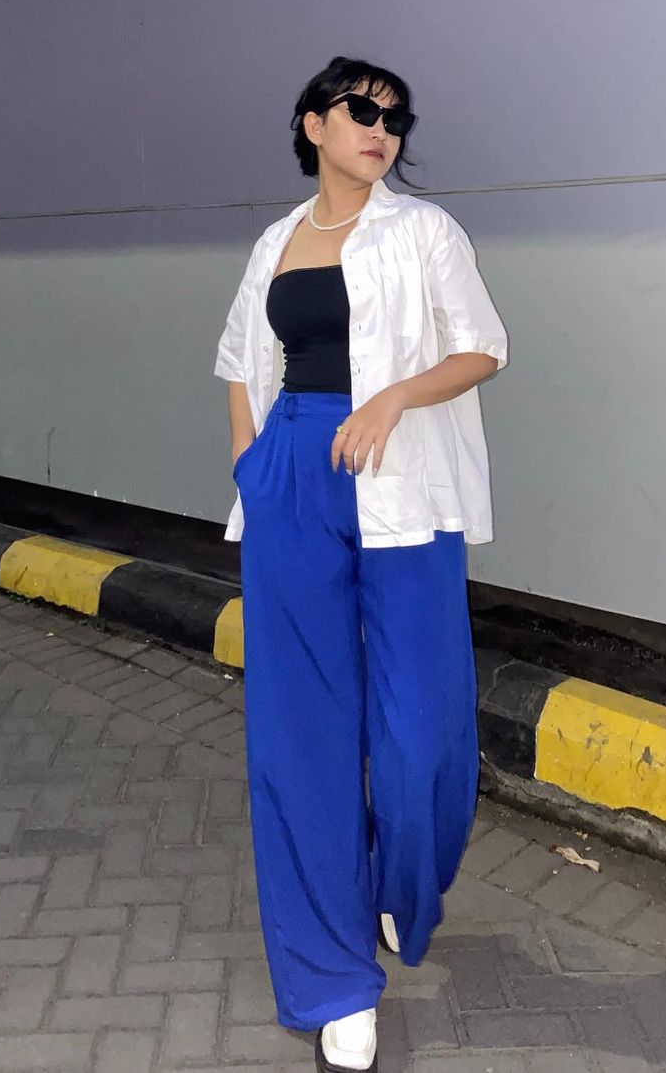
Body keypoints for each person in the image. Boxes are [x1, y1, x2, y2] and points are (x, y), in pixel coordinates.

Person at [213, 56, 508, 1073]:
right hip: (293, 478)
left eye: (395, 116)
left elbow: (484, 347)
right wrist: (253, 463)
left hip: (403, 486)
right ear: (313, 124)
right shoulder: (275, 242)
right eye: (361, 110)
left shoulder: (424, 231)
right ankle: (334, 980)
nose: (382, 128)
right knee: (301, 736)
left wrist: (392, 397)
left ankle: (399, 883)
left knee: (424, 736)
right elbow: (240, 361)